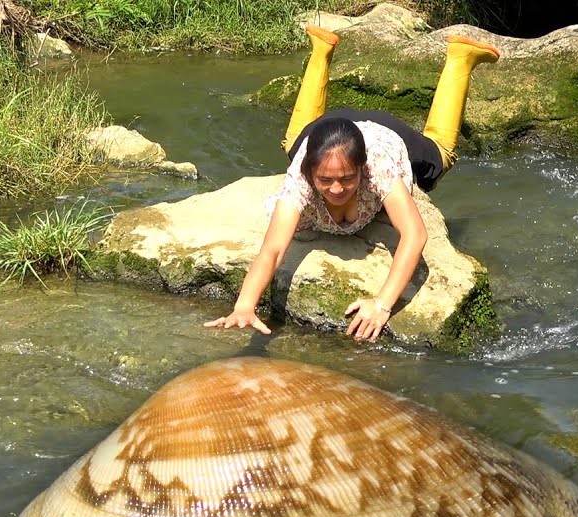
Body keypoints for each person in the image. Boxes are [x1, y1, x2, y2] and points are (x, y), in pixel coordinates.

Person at [204, 24, 500, 341]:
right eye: (325, 180)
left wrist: (383, 304)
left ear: (362, 170)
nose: (335, 189)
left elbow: (414, 235)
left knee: (440, 156)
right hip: (329, 130)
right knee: (294, 143)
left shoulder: (379, 166)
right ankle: (320, 50)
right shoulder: (300, 178)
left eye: (346, 179)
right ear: (310, 174)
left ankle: (460, 58)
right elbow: (273, 249)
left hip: (386, 133)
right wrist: (245, 305)